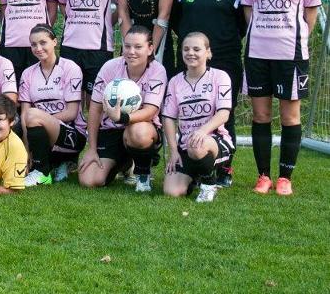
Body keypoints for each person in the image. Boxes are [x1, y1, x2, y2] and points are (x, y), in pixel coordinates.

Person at [240, 0, 321, 196]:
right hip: (257, 54)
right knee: (261, 115)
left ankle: (285, 177)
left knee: (290, 116)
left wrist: (290, 37)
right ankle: (263, 176)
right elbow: (248, 11)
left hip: (291, 55)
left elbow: (309, 17)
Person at [173, 0, 244, 187]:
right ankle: (194, 166)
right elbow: (176, 22)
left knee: (225, 112)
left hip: (226, 59)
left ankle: (225, 169)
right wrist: (195, 50)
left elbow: (242, 25)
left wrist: (218, 45)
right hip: (190, 60)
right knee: (189, 111)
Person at [78, 25, 167, 193]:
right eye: (127, 46)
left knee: (138, 132)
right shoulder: (109, 67)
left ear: (150, 49)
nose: (131, 51)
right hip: (110, 130)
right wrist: (91, 149)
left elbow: (150, 111)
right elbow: (95, 109)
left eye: (138, 47)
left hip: (141, 128)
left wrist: (122, 118)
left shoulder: (157, 70)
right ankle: (125, 163)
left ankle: (143, 174)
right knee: (89, 180)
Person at [162, 33, 235, 202]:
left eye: (196, 49)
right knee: (171, 191)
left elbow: (224, 113)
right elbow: (168, 118)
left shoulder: (220, 76)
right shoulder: (175, 82)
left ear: (208, 53)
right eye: (186, 49)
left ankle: (209, 185)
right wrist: (173, 151)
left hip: (214, 141)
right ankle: (197, 176)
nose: (190, 53)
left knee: (197, 144)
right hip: (187, 145)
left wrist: (202, 131)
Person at [19, 24, 86, 186]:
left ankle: (41, 172)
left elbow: (71, 112)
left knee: (33, 116)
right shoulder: (27, 73)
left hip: (73, 135)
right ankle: (57, 164)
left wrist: (43, 119)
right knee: (27, 120)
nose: (38, 48)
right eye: (34, 44)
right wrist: (26, 149)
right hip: (40, 131)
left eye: (43, 42)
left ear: (55, 42)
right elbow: (24, 115)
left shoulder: (70, 68)